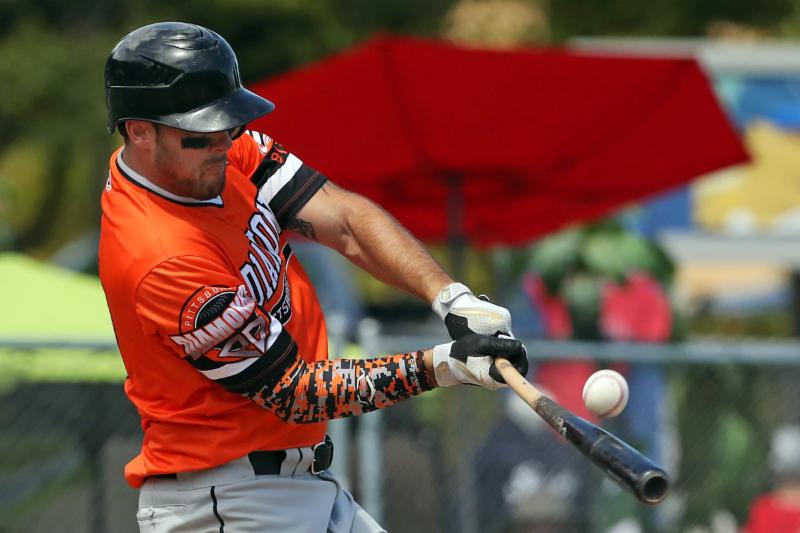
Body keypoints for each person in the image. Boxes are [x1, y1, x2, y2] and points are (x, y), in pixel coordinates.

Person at [99, 21, 528, 533]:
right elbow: (296, 391)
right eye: (201, 134)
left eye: (229, 125)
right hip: (226, 507)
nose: (223, 142)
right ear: (139, 130)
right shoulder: (160, 259)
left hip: (290, 486)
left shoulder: (220, 153)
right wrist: (444, 365)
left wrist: (451, 300)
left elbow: (345, 222)